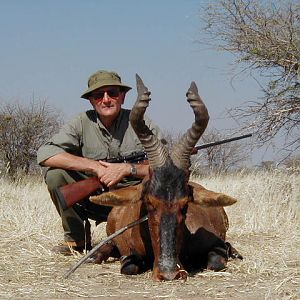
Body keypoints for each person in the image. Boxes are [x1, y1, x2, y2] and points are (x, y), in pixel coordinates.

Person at [37, 70, 162, 255]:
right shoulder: (80, 122)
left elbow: (165, 167)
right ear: (91, 100)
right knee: (55, 175)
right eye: (98, 95)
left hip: (134, 202)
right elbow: (45, 154)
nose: (106, 99)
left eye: (112, 93)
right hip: (96, 199)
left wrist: (128, 169)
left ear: (122, 97)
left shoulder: (141, 122)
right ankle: (77, 241)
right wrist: (95, 167)